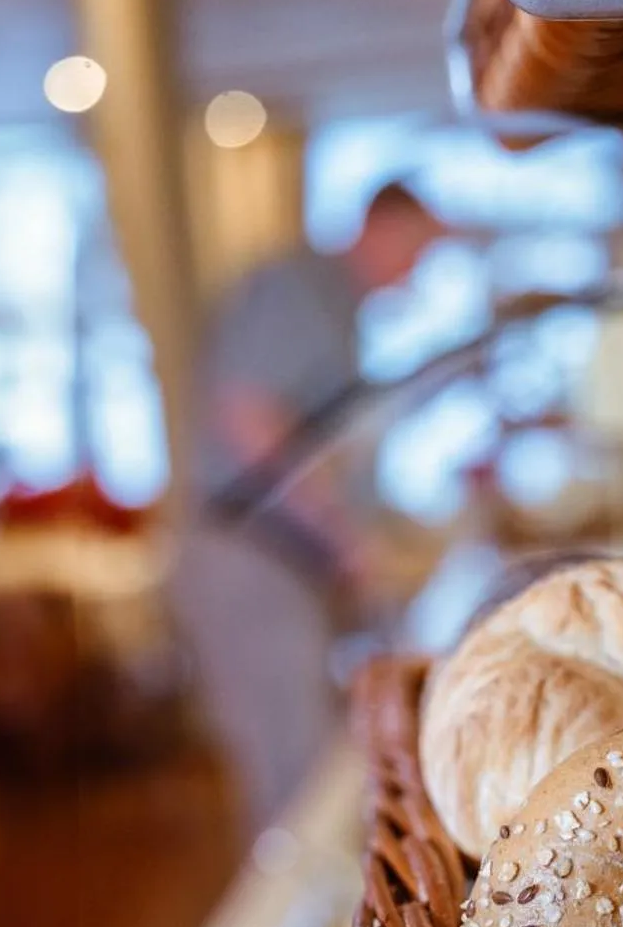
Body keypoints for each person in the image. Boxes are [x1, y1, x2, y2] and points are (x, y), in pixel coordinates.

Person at [171, 182, 443, 829]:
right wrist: (343, 536)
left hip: (276, 560)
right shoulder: (300, 288)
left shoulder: (336, 303)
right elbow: (247, 417)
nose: (416, 271)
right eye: (417, 249)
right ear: (380, 226)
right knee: (293, 780)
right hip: (249, 558)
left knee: (309, 767)